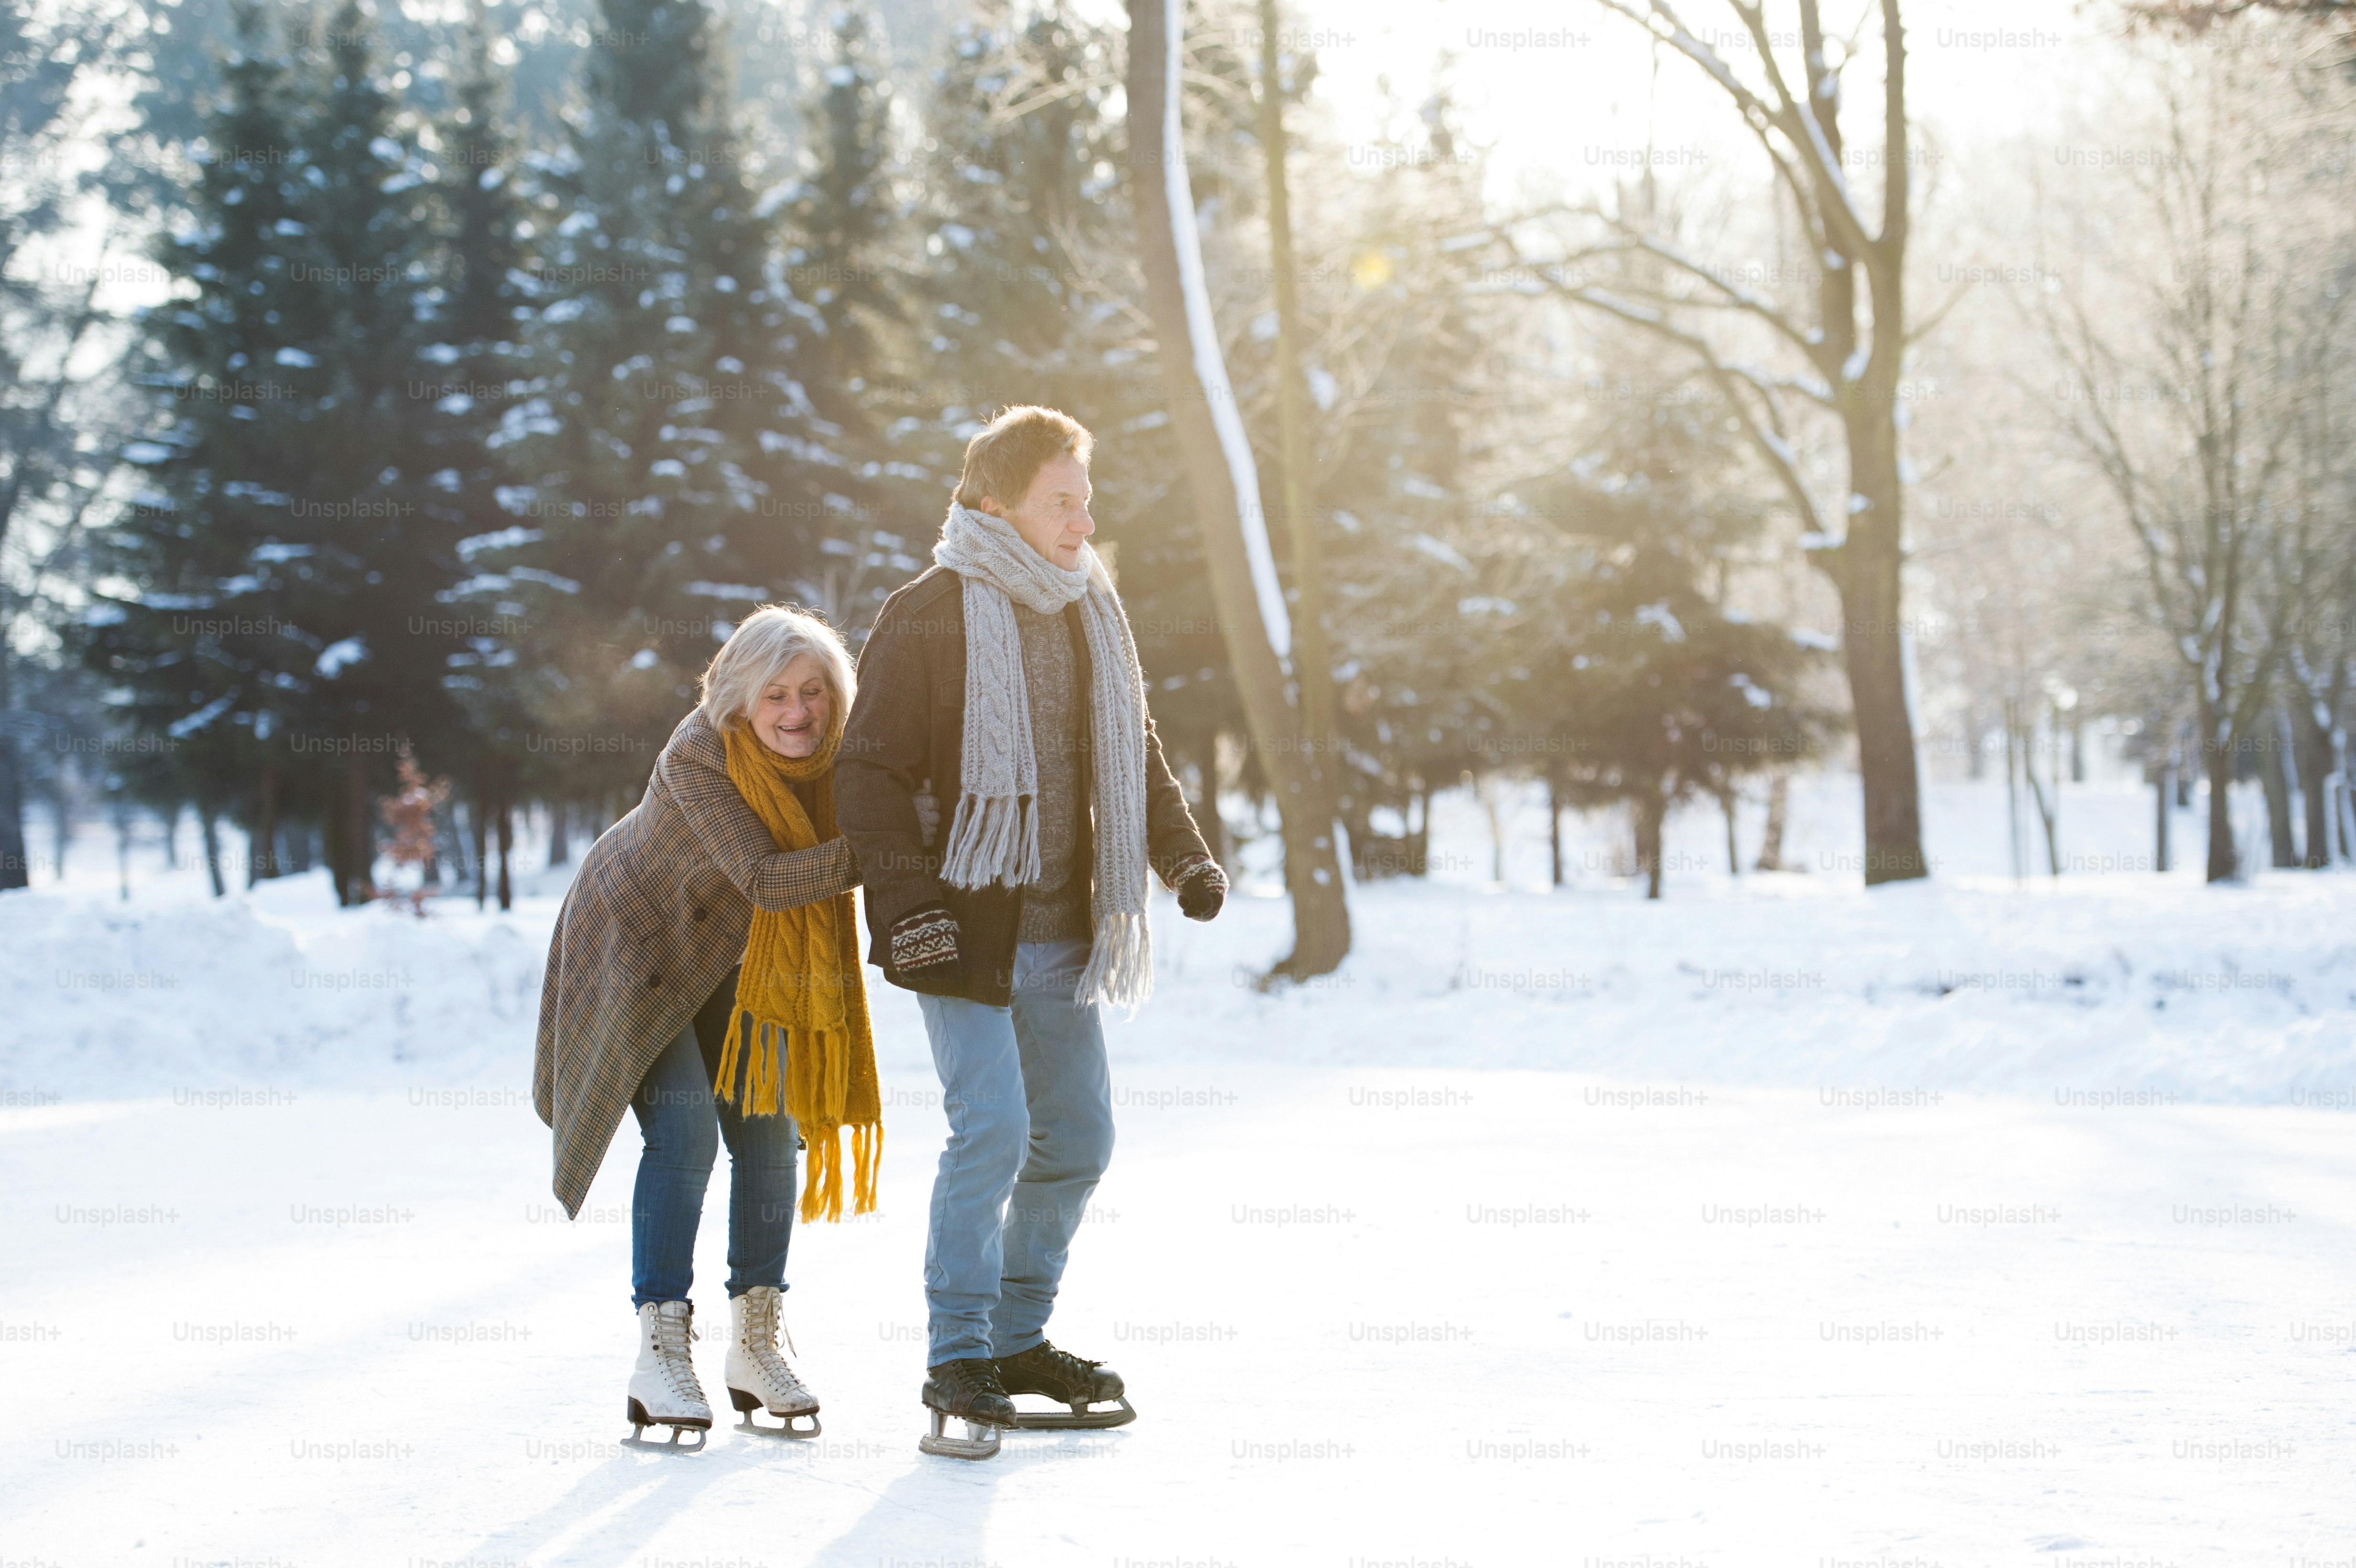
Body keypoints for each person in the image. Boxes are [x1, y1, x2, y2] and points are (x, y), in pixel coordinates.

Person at [837, 404, 1228, 1459]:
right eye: (1062, 499)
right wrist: (910, 909)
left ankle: (1015, 1338)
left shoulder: (1090, 607)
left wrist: (1182, 855)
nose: (1082, 517)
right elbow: (866, 772)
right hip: (959, 931)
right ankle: (957, 1349)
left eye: (1086, 498)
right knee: (994, 1132)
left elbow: (1131, 745)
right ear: (993, 501)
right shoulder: (927, 610)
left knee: (1080, 1138)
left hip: (1062, 931)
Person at [533, 606, 883, 1447]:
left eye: (812, 693)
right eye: (776, 697)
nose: (797, 713)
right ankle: (661, 1349)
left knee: (768, 1128)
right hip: (638, 943)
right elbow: (768, 878)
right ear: (738, 701)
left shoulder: (838, 765)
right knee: (685, 1131)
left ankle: (755, 1345)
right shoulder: (698, 755)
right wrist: (889, 845)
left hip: (737, 955)